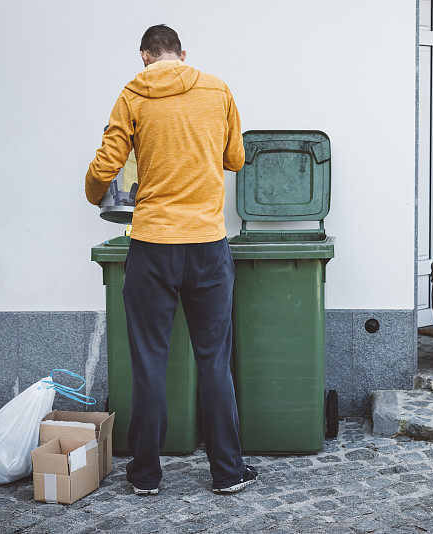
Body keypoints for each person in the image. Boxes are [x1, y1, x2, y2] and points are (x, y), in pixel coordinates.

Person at [84, 24, 257, 496]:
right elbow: (237, 159)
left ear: (144, 56)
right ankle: (227, 472)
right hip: (206, 244)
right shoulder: (218, 89)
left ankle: (144, 475)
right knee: (214, 361)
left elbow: (105, 168)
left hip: (152, 246)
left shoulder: (133, 95)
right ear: (182, 54)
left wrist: (94, 193)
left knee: (149, 363)